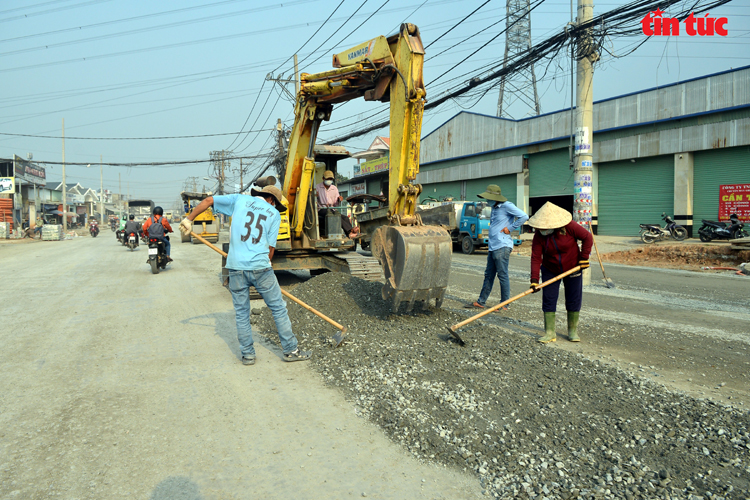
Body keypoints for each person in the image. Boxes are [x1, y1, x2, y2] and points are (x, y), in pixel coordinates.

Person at [179, 186, 311, 365]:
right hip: (261, 268)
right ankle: (290, 350)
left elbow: (209, 201)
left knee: (242, 313)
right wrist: (268, 265)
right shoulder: (274, 214)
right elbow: (271, 249)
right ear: (272, 200)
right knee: (278, 308)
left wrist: (189, 219)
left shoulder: (240, 200)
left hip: (236, 268)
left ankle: (248, 355)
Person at [528, 202, 592, 343]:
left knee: (573, 298)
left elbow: (588, 237)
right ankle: (550, 332)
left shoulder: (569, 227)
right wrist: (534, 280)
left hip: (573, 267)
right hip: (550, 269)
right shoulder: (539, 236)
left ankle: (572, 331)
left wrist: (584, 258)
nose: (543, 230)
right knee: (549, 299)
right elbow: (536, 257)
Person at [467, 184, 528, 310]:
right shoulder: (494, 208)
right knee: (488, 275)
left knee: (502, 275)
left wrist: (510, 228)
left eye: (489, 198)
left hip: (502, 245)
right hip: (493, 246)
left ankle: (505, 303)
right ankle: (481, 301)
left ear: (496, 198)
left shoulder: (507, 206)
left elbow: (524, 216)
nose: (487, 201)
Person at [315, 170, 359, 239]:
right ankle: (351, 230)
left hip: (332, 209)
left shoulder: (334, 188)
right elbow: (313, 200)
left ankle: (349, 233)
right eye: (328, 179)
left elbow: (336, 203)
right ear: (323, 178)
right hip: (321, 209)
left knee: (345, 217)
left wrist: (339, 200)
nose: (329, 180)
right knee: (335, 216)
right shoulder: (317, 187)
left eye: (331, 179)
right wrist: (315, 196)